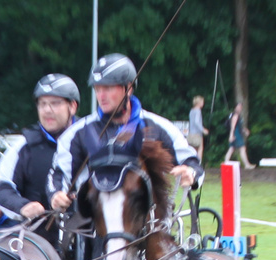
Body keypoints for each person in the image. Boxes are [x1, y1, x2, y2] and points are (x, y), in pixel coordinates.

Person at [51, 53, 202, 213]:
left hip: (149, 224)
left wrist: (190, 173)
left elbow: (193, 163)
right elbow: (59, 175)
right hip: (94, 227)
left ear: (128, 88)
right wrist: (56, 195)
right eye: (97, 89)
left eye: (108, 88)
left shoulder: (160, 127)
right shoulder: (78, 133)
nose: (101, 96)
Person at [0, 73, 81, 234]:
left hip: (90, 240)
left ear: (72, 106)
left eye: (55, 103)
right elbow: (3, 189)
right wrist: (23, 206)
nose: (47, 110)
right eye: (42, 104)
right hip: (38, 245)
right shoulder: (23, 146)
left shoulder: (90, 139)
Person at [224, 102, 252, 168]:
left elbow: (239, 126)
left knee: (231, 149)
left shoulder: (234, 115)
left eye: (240, 107)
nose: (240, 108)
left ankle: (225, 163)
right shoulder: (235, 115)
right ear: (235, 107)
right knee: (242, 148)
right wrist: (231, 135)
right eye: (238, 106)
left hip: (235, 133)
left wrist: (245, 130)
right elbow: (233, 126)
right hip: (236, 134)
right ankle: (247, 165)